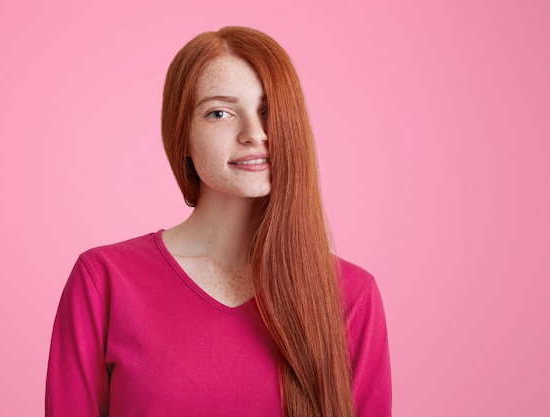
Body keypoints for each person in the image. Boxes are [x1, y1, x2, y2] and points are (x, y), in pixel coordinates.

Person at [45, 26, 391, 417]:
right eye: (220, 113)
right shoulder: (104, 281)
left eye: (269, 110)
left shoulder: (351, 295)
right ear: (184, 137)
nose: (254, 134)